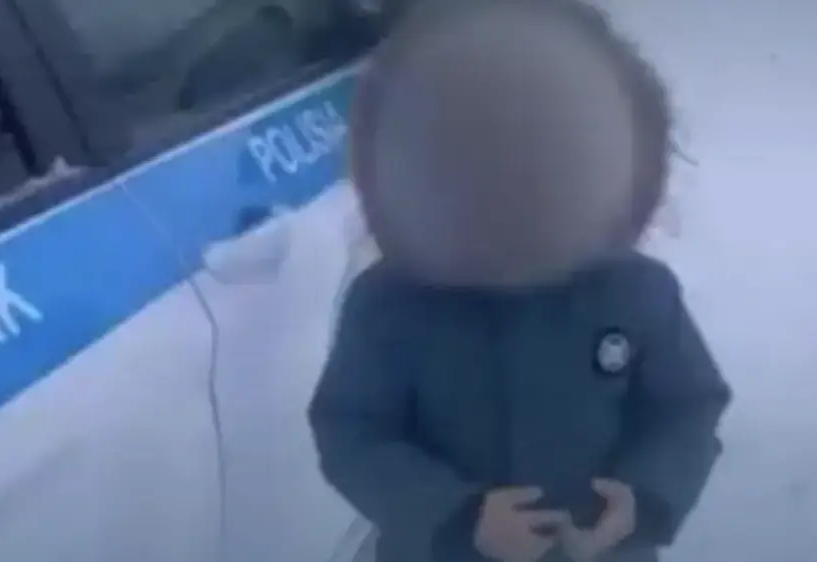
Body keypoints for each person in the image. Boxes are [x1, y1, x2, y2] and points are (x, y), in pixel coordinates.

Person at [308, 1, 731, 562]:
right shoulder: (389, 304)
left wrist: (642, 500)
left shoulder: (634, 293)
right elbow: (353, 431)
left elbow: (686, 407)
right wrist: (454, 515)